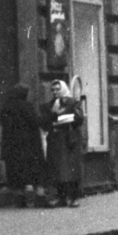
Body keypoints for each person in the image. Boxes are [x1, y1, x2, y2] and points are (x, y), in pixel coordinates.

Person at [0, 82, 46, 207]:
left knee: (16, 170)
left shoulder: (6, 107)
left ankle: (20, 199)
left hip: (12, 145)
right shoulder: (27, 106)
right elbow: (35, 121)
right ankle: (36, 196)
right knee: (31, 169)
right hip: (29, 144)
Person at [42, 78, 86, 207]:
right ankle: (61, 197)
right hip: (55, 139)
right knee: (57, 170)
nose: (55, 92)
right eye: (53, 90)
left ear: (63, 89)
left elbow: (79, 118)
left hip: (69, 139)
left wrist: (60, 117)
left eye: (58, 89)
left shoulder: (72, 102)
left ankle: (72, 198)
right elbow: (45, 121)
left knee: (70, 169)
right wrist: (52, 117)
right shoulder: (49, 105)